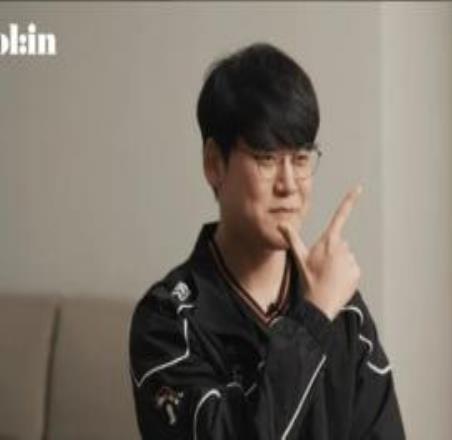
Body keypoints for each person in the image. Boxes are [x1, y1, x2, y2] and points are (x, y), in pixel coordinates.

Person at [129, 42, 406, 439]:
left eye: (301, 159)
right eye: (266, 159)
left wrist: (322, 310)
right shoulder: (168, 322)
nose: (289, 184)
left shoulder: (343, 310)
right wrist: (312, 320)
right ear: (214, 163)